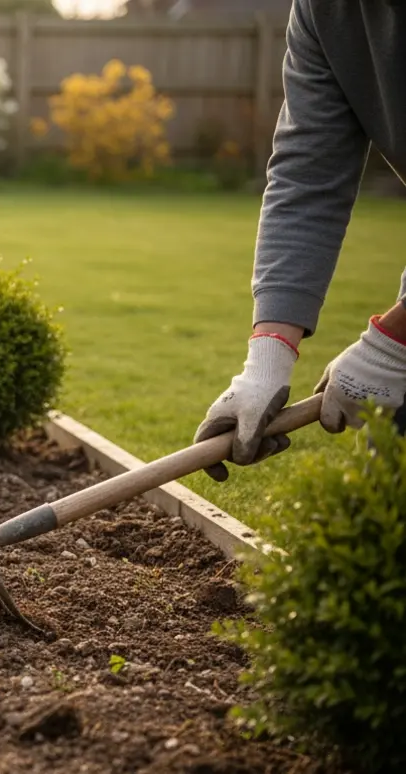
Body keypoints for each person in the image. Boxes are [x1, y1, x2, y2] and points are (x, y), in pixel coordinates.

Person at [194, 0, 406, 482]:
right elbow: (308, 177)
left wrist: (395, 339)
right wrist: (265, 364)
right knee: (389, 490)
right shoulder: (320, 11)